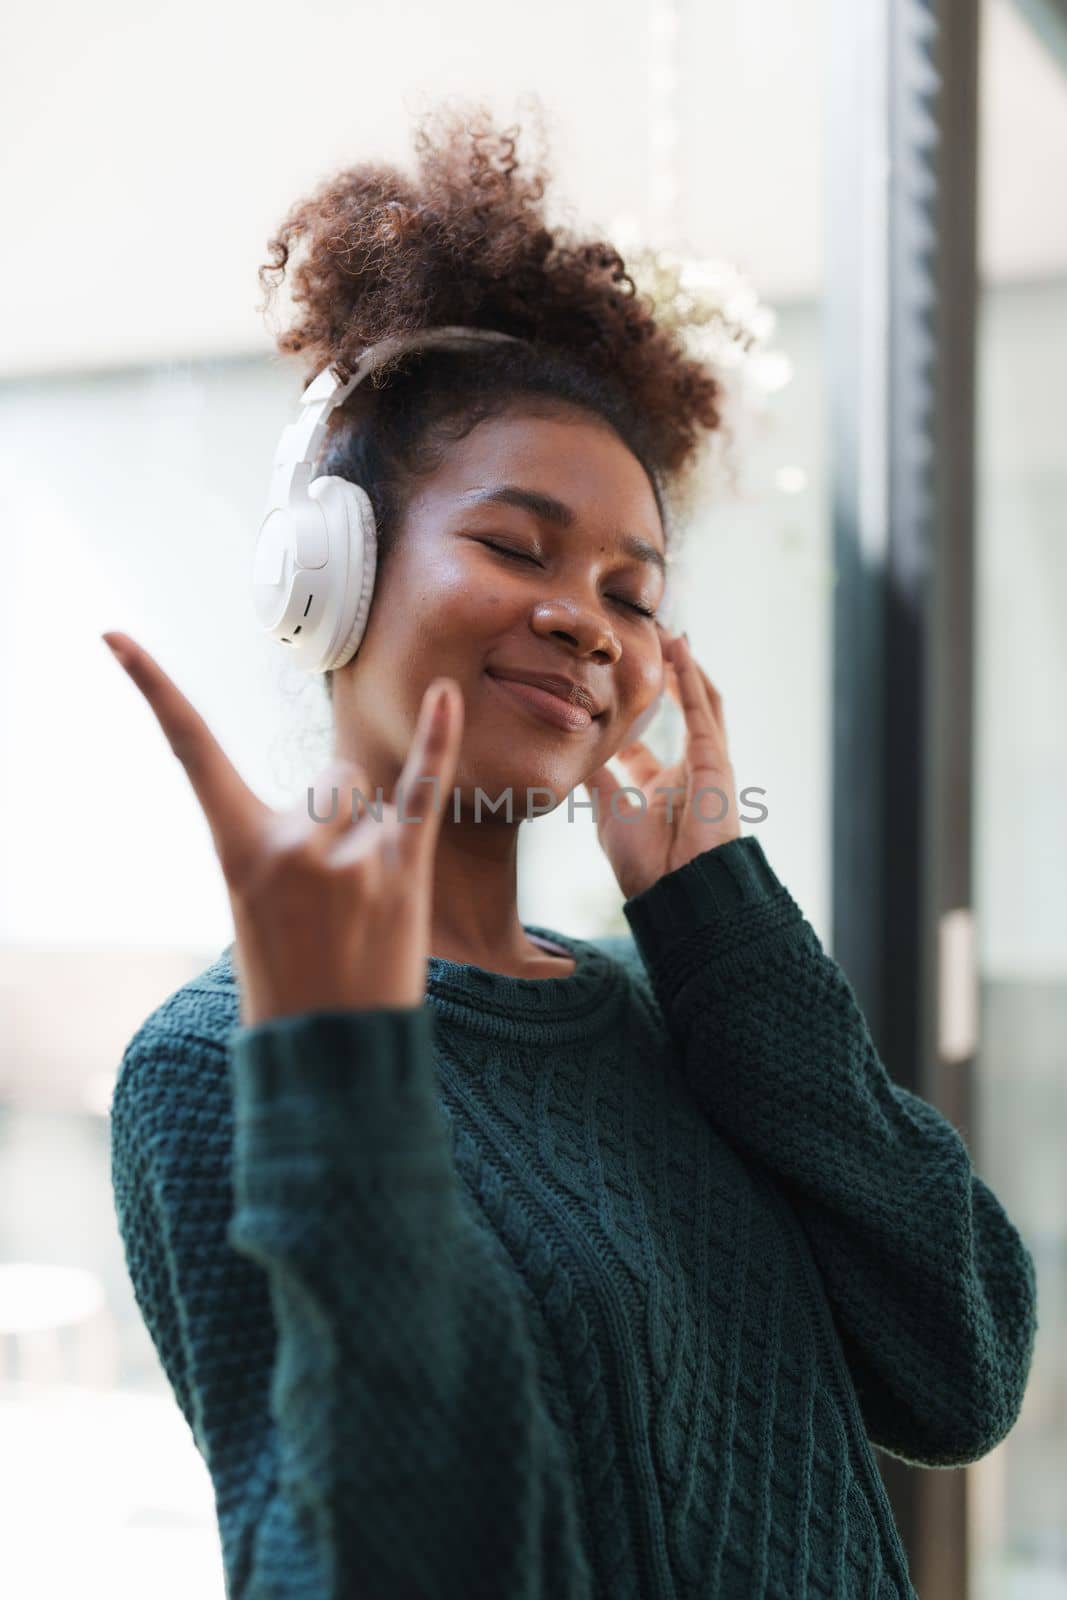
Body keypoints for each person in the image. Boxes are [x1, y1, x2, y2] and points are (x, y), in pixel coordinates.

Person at [107, 103, 1037, 1600]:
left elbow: (962, 1365)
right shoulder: (227, 1061)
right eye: (518, 547)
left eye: (631, 587)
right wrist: (342, 1073)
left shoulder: (678, 1002)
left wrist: (716, 915)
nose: (587, 620)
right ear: (329, 574)